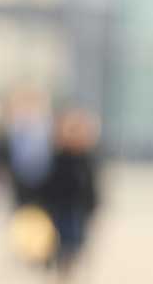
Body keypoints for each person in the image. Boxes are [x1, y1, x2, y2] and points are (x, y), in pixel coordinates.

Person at [40, 107, 101, 280]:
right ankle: (61, 266)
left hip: (79, 208)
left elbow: (92, 185)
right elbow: (47, 183)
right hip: (59, 206)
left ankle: (69, 265)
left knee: (76, 240)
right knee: (59, 239)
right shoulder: (58, 157)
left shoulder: (87, 158)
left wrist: (94, 204)